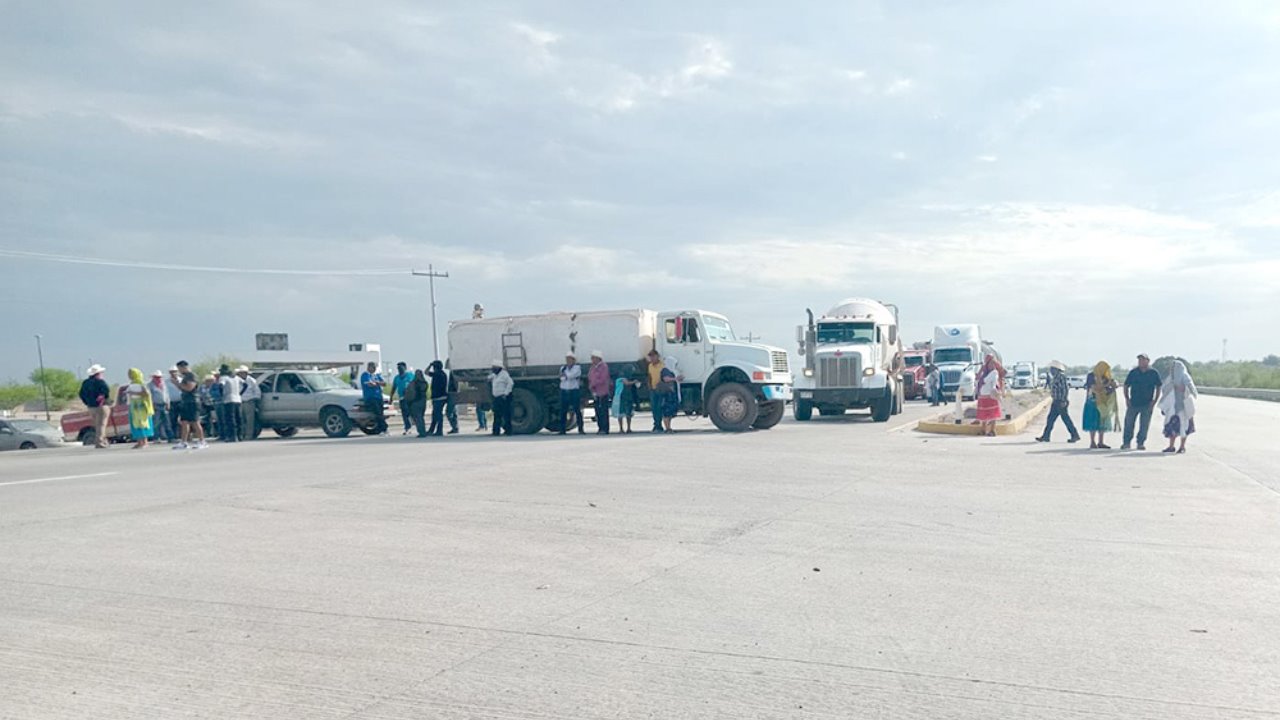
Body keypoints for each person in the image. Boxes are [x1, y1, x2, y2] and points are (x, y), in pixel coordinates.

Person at [1121, 354, 1162, 451]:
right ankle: (1126, 442)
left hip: (1147, 403)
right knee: (1129, 423)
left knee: (1144, 425)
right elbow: (1126, 385)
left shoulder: (1153, 373)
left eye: (1143, 360)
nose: (1140, 362)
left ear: (1148, 361)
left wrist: (1155, 401)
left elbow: (1158, 386)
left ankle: (1140, 443)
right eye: (1139, 360)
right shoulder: (1133, 372)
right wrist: (1127, 399)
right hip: (1133, 403)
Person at [1036, 360, 1081, 443]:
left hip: (1060, 401)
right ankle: (1046, 436)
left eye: (1052, 369)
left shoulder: (1061, 377)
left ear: (1056, 369)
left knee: (1066, 419)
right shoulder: (1055, 377)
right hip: (1056, 401)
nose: (1051, 371)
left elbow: (1065, 389)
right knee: (1050, 419)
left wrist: (1064, 400)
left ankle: (1075, 435)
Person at [1160, 360, 1198, 454]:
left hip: (1184, 407)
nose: (1172, 369)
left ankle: (1182, 446)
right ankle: (1171, 446)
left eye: (1174, 367)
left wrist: (1184, 389)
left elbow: (1192, 390)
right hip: (1172, 407)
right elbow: (1164, 389)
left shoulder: (1185, 377)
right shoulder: (1170, 378)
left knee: (1184, 426)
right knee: (1171, 426)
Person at [1082, 360, 1120, 449]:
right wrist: (1107, 385)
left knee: (1102, 421)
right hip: (1092, 402)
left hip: (1103, 402)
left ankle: (1101, 442)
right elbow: (1095, 387)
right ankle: (1092, 442)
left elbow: (1115, 384)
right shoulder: (1091, 376)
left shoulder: (1106, 377)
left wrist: (1114, 384)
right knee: (1092, 422)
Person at [173, 360, 207, 449]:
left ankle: (202, 441)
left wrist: (177, 384)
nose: (179, 371)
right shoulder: (185, 377)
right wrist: (177, 384)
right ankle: (184, 442)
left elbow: (189, 388)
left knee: (195, 422)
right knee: (184, 422)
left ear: (184, 367)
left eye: (179, 368)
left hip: (193, 401)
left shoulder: (191, 376)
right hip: (185, 401)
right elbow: (183, 389)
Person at [78, 364, 112, 449]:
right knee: (102, 424)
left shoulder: (85, 383)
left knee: (97, 425)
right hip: (101, 405)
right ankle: (100, 442)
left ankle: (102, 441)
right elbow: (106, 391)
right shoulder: (100, 382)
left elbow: (81, 394)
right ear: (98, 373)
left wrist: (87, 402)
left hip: (91, 407)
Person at [125, 368, 154, 449]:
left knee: (142, 423)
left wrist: (133, 393)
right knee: (135, 423)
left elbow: (146, 394)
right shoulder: (131, 384)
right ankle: (139, 442)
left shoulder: (142, 383)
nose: (129, 376)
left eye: (131, 374)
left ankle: (145, 442)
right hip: (134, 406)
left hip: (141, 406)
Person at [974, 354, 1003, 437]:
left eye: (992, 363)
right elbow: (977, 379)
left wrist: (982, 375)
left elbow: (986, 381)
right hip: (983, 397)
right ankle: (983, 430)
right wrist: (981, 371)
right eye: (989, 363)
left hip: (990, 397)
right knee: (983, 415)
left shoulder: (994, 372)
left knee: (992, 414)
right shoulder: (985, 372)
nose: (991, 365)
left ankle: (992, 430)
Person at [558, 352, 584, 435]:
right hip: (564, 390)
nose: (568, 361)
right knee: (563, 411)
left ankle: (581, 429)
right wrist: (565, 376)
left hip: (574, 391)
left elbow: (571, 375)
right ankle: (562, 430)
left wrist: (566, 375)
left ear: (573, 360)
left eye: (570, 359)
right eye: (567, 359)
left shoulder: (577, 368)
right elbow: (561, 378)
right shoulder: (563, 368)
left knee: (577, 410)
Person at [587, 350, 612, 435]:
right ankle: (600, 427)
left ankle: (605, 428)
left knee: (604, 410)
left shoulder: (604, 367)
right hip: (595, 392)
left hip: (603, 391)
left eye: (593, 358)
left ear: (598, 358)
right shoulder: (592, 367)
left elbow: (603, 378)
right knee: (597, 410)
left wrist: (593, 383)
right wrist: (591, 386)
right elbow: (590, 376)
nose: (592, 360)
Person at [359, 362, 387, 434]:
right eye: (373, 367)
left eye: (375, 367)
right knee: (378, 413)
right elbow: (370, 384)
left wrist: (377, 383)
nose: (374, 369)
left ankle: (380, 429)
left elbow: (384, 383)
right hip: (371, 398)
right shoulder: (365, 375)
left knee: (380, 413)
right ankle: (384, 428)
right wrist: (377, 383)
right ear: (368, 367)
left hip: (379, 397)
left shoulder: (377, 375)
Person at [489, 359, 514, 436]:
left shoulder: (504, 374)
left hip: (503, 397)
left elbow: (511, 383)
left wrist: (506, 393)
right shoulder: (495, 375)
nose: (493, 369)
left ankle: (508, 431)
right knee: (497, 415)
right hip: (496, 397)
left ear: (499, 368)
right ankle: (496, 431)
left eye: (494, 367)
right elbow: (489, 377)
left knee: (506, 415)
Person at [217, 364, 241, 442]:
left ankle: (232, 436)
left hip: (228, 399)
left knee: (230, 419)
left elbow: (221, 386)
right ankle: (239, 435)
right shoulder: (236, 377)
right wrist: (240, 393)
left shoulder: (223, 378)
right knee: (238, 418)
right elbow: (245, 385)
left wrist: (222, 394)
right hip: (238, 399)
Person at [147, 370, 172, 443]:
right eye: (157, 377)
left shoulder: (163, 384)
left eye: (160, 377)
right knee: (156, 423)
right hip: (156, 405)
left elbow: (167, 395)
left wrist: (168, 403)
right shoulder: (150, 385)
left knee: (167, 422)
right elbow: (149, 396)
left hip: (164, 405)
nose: (159, 378)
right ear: (153, 377)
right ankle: (156, 438)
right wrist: (152, 405)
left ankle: (170, 437)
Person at [389, 362, 414, 435]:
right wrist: (391, 397)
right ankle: (407, 427)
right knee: (404, 413)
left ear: (405, 368)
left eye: (401, 368)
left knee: (410, 412)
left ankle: (413, 423)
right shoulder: (396, 378)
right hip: (402, 398)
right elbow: (394, 388)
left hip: (410, 397)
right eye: (398, 368)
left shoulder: (410, 375)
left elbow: (415, 384)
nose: (399, 369)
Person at [236, 366, 260, 440]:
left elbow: (257, 392)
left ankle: (249, 435)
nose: (241, 374)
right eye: (240, 373)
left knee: (249, 420)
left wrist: (254, 400)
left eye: (243, 372)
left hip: (249, 402)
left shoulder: (252, 381)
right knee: (241, 420)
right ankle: (242, 435)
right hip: (240, 402)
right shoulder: (237, 381)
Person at [427, 360, 449, 436]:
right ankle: (432, 430)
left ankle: (439, 431)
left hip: (438, 397)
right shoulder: (442, 374)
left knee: (437, 415)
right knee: (435, 414)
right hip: (441, 397)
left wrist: (430, 365)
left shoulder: (437, 374)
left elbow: (426, 372)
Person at [404, 369, 429, 437]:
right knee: (421, 417)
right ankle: (422, 431)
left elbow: (409, 393)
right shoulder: (424, 383)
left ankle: (421, 432)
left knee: (418, 418)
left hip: (415, 402)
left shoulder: (413, 383)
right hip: (422, 401)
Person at [645, 350, 666, 433]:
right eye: (650, 357)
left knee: (659, 407)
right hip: (653, 389)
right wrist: (649, 386)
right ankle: (656, 424)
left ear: (657, 356)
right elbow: (649, 376)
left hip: (660, 389)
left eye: (653, 356)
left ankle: (659, 425)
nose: (652, 358)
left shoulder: (662, 365)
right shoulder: (650, 366)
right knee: (654, 408)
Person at [166, 366, 183, 439]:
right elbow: (166, 393)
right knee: (173, 420)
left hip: (182, 401)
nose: (173, 373)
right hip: (172, 402)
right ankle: (174, 436)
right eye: (172, 371)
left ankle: (184, 436)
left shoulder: (182, 380)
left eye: (175, 371)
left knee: (184, 419)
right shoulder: (166, 382)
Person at [200, 374, 219, 438]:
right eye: (208, 381)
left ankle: (216, 432)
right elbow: (200, 395)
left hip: (213, 405)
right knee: (206, 419)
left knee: (215, 419)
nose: (209, 382)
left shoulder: (215, 386)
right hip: (205, 405)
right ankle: (209, 433)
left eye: (211, 380)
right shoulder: (202, 387)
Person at [445, 367, 460, 434]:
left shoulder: (454, 373)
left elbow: (456, 383)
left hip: (453, 394)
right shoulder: (453, 372)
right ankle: (455, 427)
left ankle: (454, 427)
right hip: (452, 393)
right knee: (453, 412)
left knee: (449, 412)